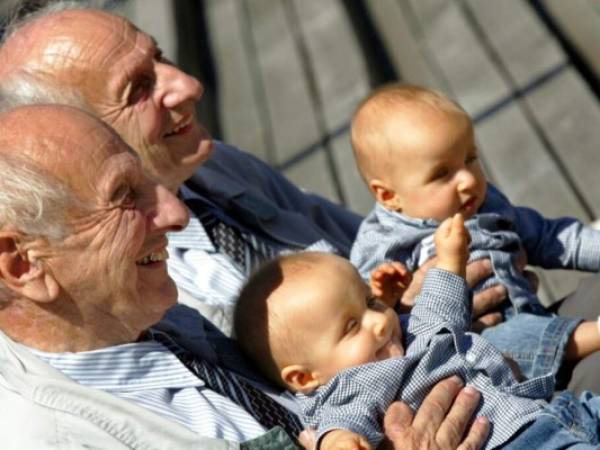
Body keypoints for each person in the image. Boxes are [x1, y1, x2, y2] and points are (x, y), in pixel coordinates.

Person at [0, 2, 589, 444]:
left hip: (476, 364)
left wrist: (410, 293)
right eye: (138, 87)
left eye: (160, 57)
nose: (188, 85)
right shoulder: (68, 421)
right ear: (24, 263)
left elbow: (368, 243)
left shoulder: (194, 199)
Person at [234, 215, 600, 449]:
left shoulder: (407, 335)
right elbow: (342, 421)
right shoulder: (348, 388)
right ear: (305, 376)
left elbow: (438, 308)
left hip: (551, 412)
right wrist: (338, 442)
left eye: (369, 302)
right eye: (350, 327)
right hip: (522, 442)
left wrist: (450, 262)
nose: (378, 320)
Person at [349, 83, 600, 379]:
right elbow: (366, 317)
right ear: (390, 196)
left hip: (536, 316)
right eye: (442, 173)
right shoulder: (383, 242)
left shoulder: (484, 203)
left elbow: (550, 237)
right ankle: (592, 335)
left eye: (470, 158)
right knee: (498, 341)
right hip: (484, 359)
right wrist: (385, 298)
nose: (468, 179)